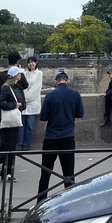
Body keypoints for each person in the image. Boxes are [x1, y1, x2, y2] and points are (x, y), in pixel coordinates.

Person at [37, 68, 84, 203]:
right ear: (67, 81)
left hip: (51, 138)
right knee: (69, 174)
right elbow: (80, 114)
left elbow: (43, 117)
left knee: (45, 172)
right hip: (68, 137)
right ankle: (70, 202)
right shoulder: (75, 94)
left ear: (56, 82)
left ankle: (40, 201)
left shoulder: (50, 96)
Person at [0, 52, 28, 175]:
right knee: (8, 147)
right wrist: (15, 105)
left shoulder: (13, 85)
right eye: (19, 73)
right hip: (8, 117)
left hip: (13, 116)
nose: (21, 74)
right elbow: (0, 102)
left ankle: (6, 172)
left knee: (10, 147)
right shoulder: (7, 87)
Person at [18, 56, 43, 150]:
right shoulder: (23, 73)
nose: (31, 64)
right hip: (23, 103)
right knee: (21, 125)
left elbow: (36, 88)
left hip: (32, 103)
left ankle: (27, 144)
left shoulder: (39, 73)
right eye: (29, 62)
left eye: (33, 62)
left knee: (30, 125)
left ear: (36, 63)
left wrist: (26, 98)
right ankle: (20, 143)